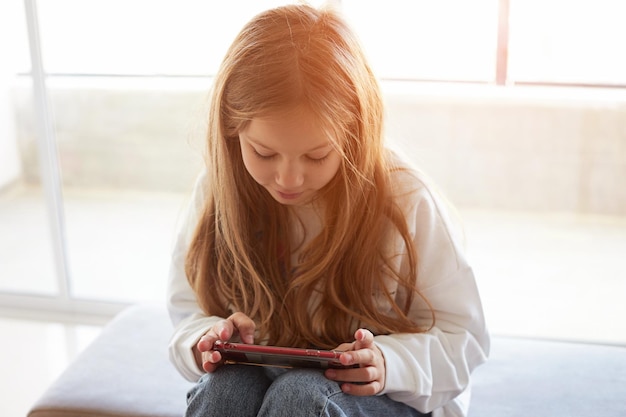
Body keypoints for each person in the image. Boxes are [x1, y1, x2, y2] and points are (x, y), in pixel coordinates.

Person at [167, 3, 489, 417]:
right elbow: (185, 312)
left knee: (301, 397)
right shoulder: (219, 190)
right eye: (264, 152)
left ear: (353, 135)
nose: (288, 179)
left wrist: (389, 364)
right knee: (224, 390)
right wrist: (204, 341)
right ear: (232, 132)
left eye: (317, 156)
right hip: (271, 384)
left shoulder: (403, 197)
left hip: (387, 398)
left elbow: (465, 339)